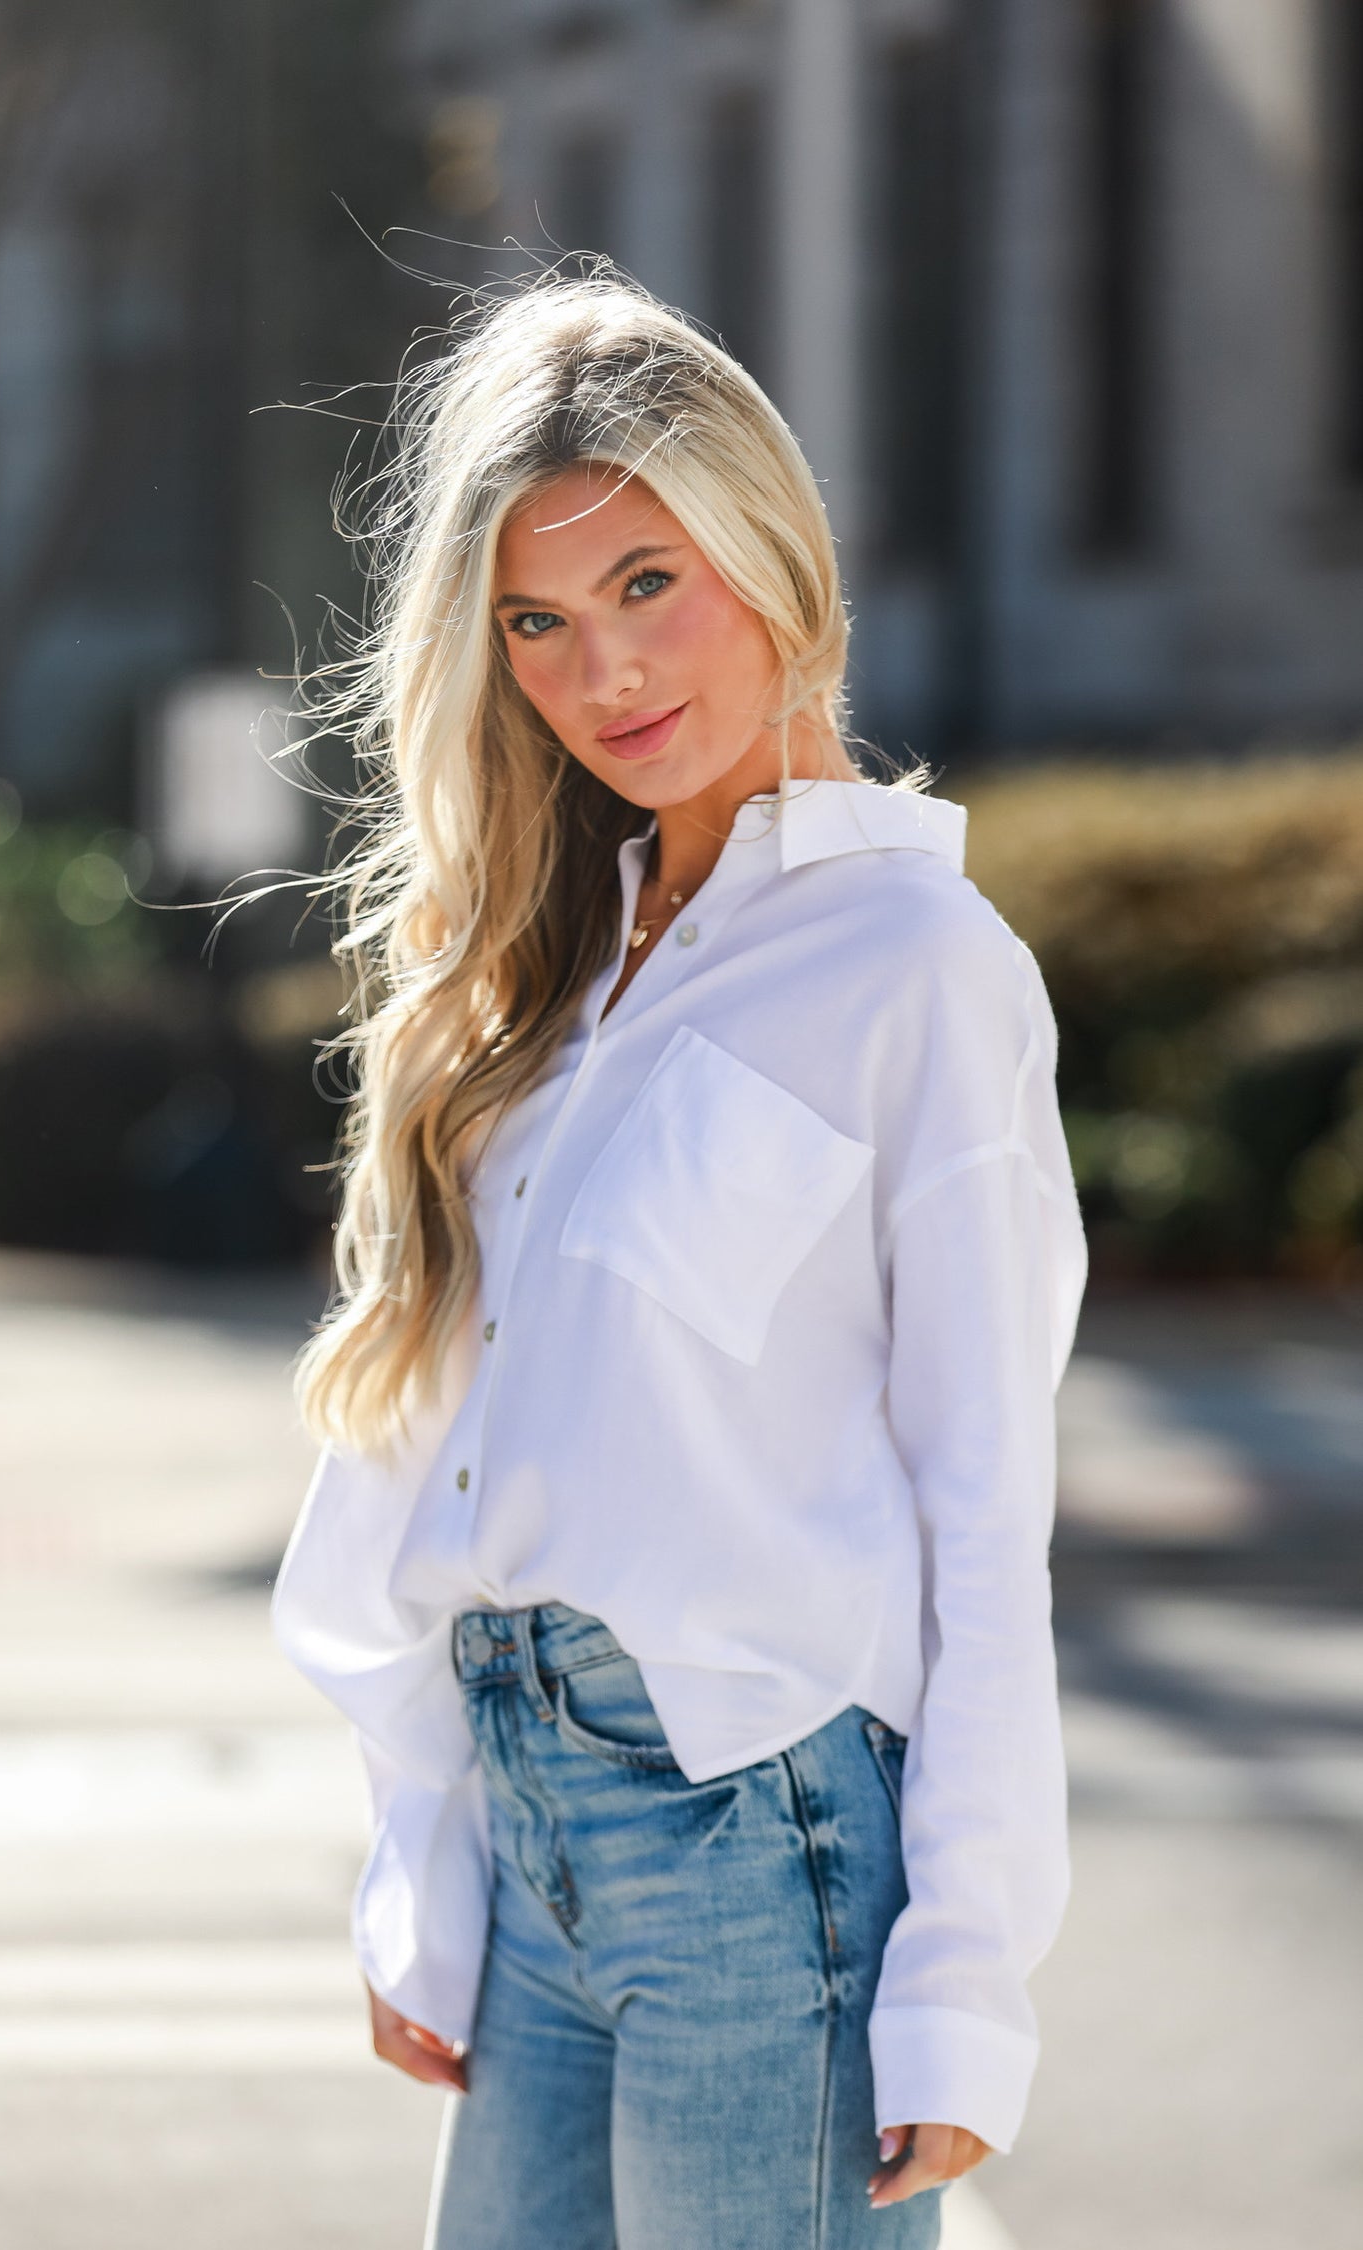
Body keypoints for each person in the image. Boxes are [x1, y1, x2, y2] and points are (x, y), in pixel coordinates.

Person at [271, 271, 1087, 2249]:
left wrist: (966, 1979)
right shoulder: (554, 975)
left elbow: (982, 1504)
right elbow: (460, 1460)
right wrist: (433, 1854)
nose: (602, 673)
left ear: (770, 551)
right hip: (538, 1835)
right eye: (537, 623)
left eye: (650, 582)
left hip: (761, 1854)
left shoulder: (921, 972)